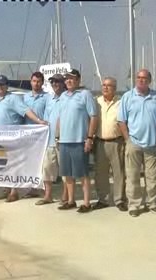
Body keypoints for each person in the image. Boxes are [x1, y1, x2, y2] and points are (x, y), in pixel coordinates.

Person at [0, 74, 47, 202]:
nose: (0, 87)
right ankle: (6, 189)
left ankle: (14, 191)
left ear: (6, 86)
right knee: (0, 165)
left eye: (2, 84)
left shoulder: (13, 98)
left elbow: (26, 111)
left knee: (12, 165)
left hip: (11, 139)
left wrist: (39, 121)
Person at [118, 69, 156, 217]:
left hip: (152, 144)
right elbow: (121, 121)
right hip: (134, 142)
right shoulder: (127, 97)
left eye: (144, 78)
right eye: (138, 77)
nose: (141, 80)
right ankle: (134, 205)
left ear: (149, 80)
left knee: (152, 176)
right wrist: (127, 139)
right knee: (132, 176)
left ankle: (152, 203)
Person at [57, 69, 98, 213]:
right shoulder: (62, 96)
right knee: (67, 173)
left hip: (79, 141)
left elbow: (93, 116)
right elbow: (60, 117)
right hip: (64, 141)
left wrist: (89, 138)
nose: (68, 81)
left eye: (72, 78)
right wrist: (58, 136)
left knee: (82, 174)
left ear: (78, 80)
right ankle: (71, 201)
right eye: (66, 78)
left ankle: (87, 203)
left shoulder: (85, 94)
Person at [92, 77, 127, 211]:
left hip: (117, 141)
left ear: (115, 88)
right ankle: (103, 199)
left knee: (119, 172)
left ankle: (119, 200)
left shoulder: (121, 102)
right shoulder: (96, 102)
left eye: (109, 86)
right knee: (101, 173)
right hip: (100, 141)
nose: (105, 88)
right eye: (104, 85)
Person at [35, 74, 67, 205]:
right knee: (47, 169)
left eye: (58, 81)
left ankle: (65, 196)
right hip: (49, 141)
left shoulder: (67, 98)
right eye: (53, 82)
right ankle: (47, 195)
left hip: (64, 140)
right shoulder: (49, 99)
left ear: (63, 83)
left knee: (65, 171)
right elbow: (45, 118)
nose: (55, 84)